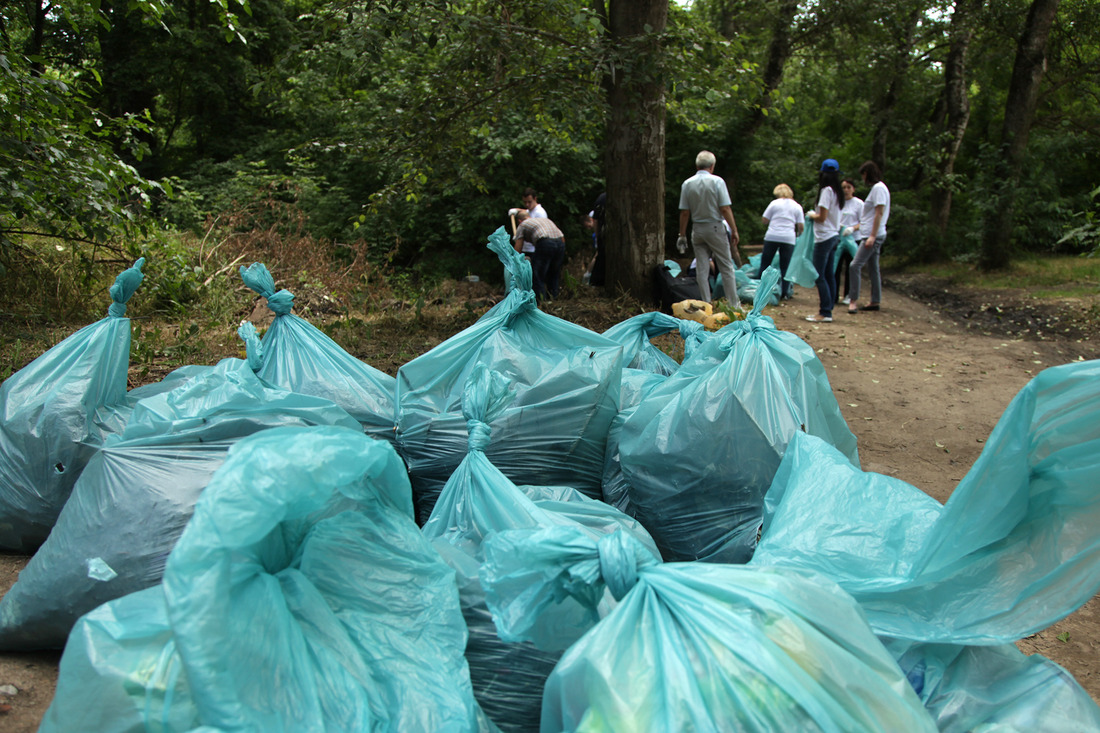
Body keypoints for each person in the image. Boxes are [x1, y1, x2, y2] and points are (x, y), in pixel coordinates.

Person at [677, 151, 742, 309]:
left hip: (697, 228)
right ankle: (734, 304)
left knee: (702, 267)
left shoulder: (687, 184)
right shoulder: (717, 181)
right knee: (726, 266)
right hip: (714, 226)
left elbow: (685, 212)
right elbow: (725, 208)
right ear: (712, 166)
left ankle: (706, 304)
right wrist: (734, 230)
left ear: (696, 165)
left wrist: (682, 234)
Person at [805, 158, 846, 323]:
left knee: (819, 275)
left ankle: (824, 311)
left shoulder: (826, 191)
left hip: (824, 237)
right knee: (829, 274)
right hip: (834, 235)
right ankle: (828, 309)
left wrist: (810, 214)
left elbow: (822, 217)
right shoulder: (838, 193)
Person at [848, 161, 890, 313]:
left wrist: (872, 235)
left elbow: (879, 212)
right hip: (873, 234)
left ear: (867, 174)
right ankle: (875, 300)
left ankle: (852, 300)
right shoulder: (878, 188)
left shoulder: (878, 189)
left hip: (872, 235)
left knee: (855, 265)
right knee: (873, 268)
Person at [758, 183, 804, 301]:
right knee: (786, 267)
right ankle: (785, 293)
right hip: (788, 238)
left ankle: (759, 290)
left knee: (765, 263)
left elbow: (764, 220)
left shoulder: (774, 203)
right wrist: (799, 236)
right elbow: (801, 226)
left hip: (772, 236)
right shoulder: (797, 206)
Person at [513, 209, 565, 301]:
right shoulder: (544, 220)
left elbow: (518, 249)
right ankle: (553, 299)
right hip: (560, 243)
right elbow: (562, 237)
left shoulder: (522, 225)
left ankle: (541, 302)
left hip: (545, 242)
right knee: (553, 273)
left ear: (519, 221)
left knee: (537, 274)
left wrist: (514, 262)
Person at [835, 178, 863, 305]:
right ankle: (834, 294)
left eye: (848, 187)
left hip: (853, 238)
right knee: (836, 267)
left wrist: (852, 228)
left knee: (851, 267)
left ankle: (848, 294)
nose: (846, 190)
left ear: (853, 189)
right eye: (844, 187)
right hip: (838, 238)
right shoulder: (838, 203)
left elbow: (864, 222)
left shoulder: (859, 204)